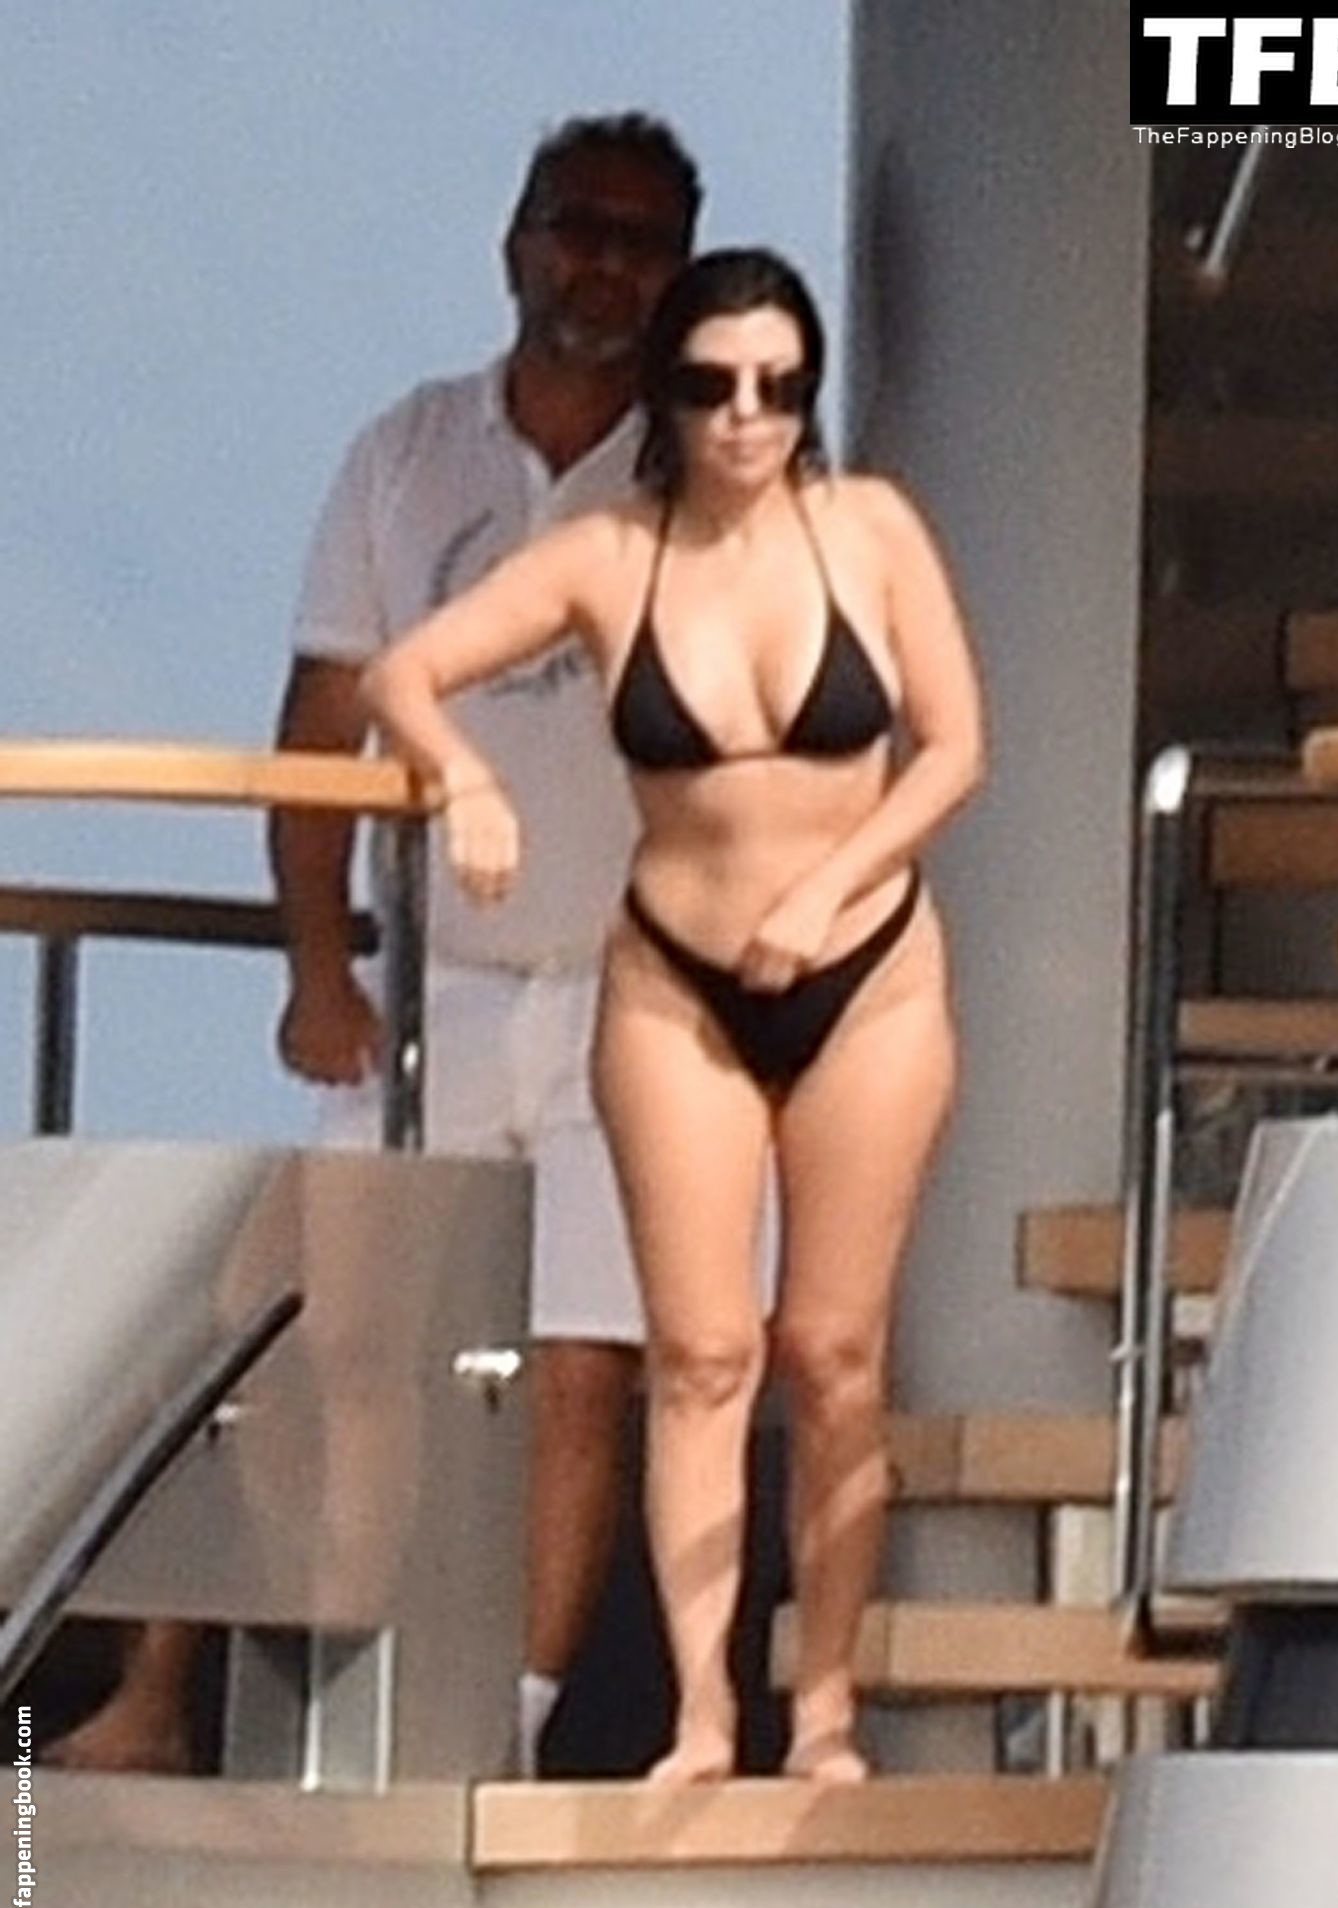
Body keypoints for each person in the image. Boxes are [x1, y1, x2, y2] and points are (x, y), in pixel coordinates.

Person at [43, 111, 702, 1780]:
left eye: (640, 240)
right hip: (435, 984)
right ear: (517, 242)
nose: (604, 266)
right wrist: (317, 969)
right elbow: (317, 727)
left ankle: (506, 1739)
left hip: (633, 992)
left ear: (680, 269)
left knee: (580, 1370)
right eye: (579, 227)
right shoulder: (406, 454)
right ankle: (218, 1700)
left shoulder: (709, 472)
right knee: (313, 1332)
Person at [362, 246, 985, 1784]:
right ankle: (703, 1713)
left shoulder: (870, 529)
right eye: (713, 387)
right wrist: (470, 779)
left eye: (779, 386)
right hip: (676, 974)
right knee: (699, 1352)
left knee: (831, 1351)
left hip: (865, 967)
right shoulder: (607, 555)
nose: (747, 417)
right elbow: (404, 673)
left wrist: (828, 889)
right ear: (668, 396)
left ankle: (823, 1706)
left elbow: (953, 747)